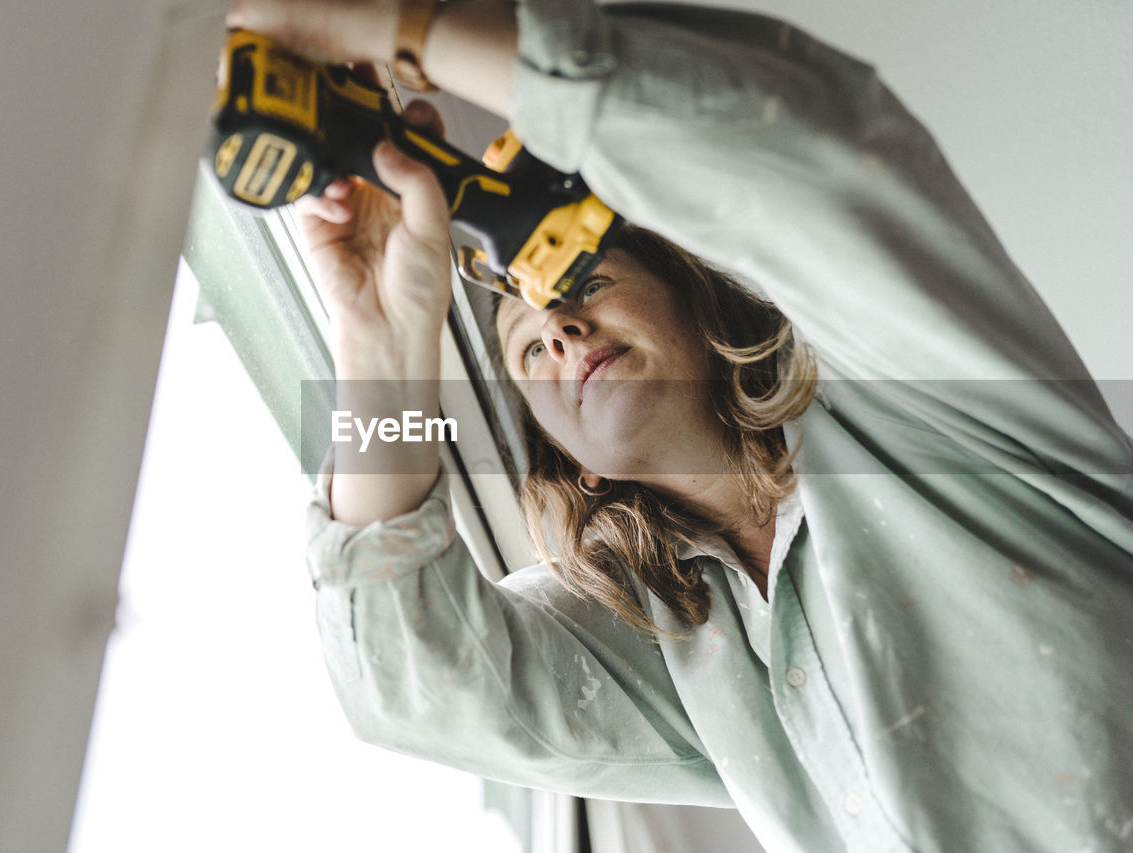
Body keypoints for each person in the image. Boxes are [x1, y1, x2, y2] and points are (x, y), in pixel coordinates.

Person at [230, 1, 1133, 851]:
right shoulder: (679, 649)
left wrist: (405, 22)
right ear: (571, 461)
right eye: (527, 350)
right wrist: (382, 358)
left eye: (581, 284)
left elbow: (825, 156)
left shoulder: (939, 418)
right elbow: (417, 686)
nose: (558, 328)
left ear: (699, 303)